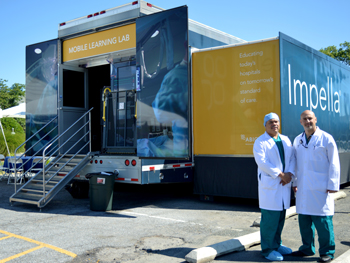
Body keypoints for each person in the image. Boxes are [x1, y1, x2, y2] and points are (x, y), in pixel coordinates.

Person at [292, 110, 340, 263]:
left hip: (321, 188)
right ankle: (307, 248)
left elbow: (334, 162)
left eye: (310, 118)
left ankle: (327, 251)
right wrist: (294, 182)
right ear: (300, 122)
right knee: (304, 221)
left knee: (323, 222)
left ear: (315, 120)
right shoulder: (297, 140)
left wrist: (333, 184)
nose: (308, 121)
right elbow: (295, 163)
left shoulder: (326, 138)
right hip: (303, 188)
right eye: (304, 119)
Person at [253, 112, 295, 261]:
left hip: (284, 185)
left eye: (276, 121)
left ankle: (277, 245)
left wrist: (289, 174)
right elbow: (262, 162)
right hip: (271, 185)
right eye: (271, 122)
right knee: (270, 220)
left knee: (280, 219)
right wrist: (280, 174)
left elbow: (292, 158)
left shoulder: (285, 139)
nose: (274, 124)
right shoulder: (260, 142)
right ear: (265, 125)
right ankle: (267, 249)